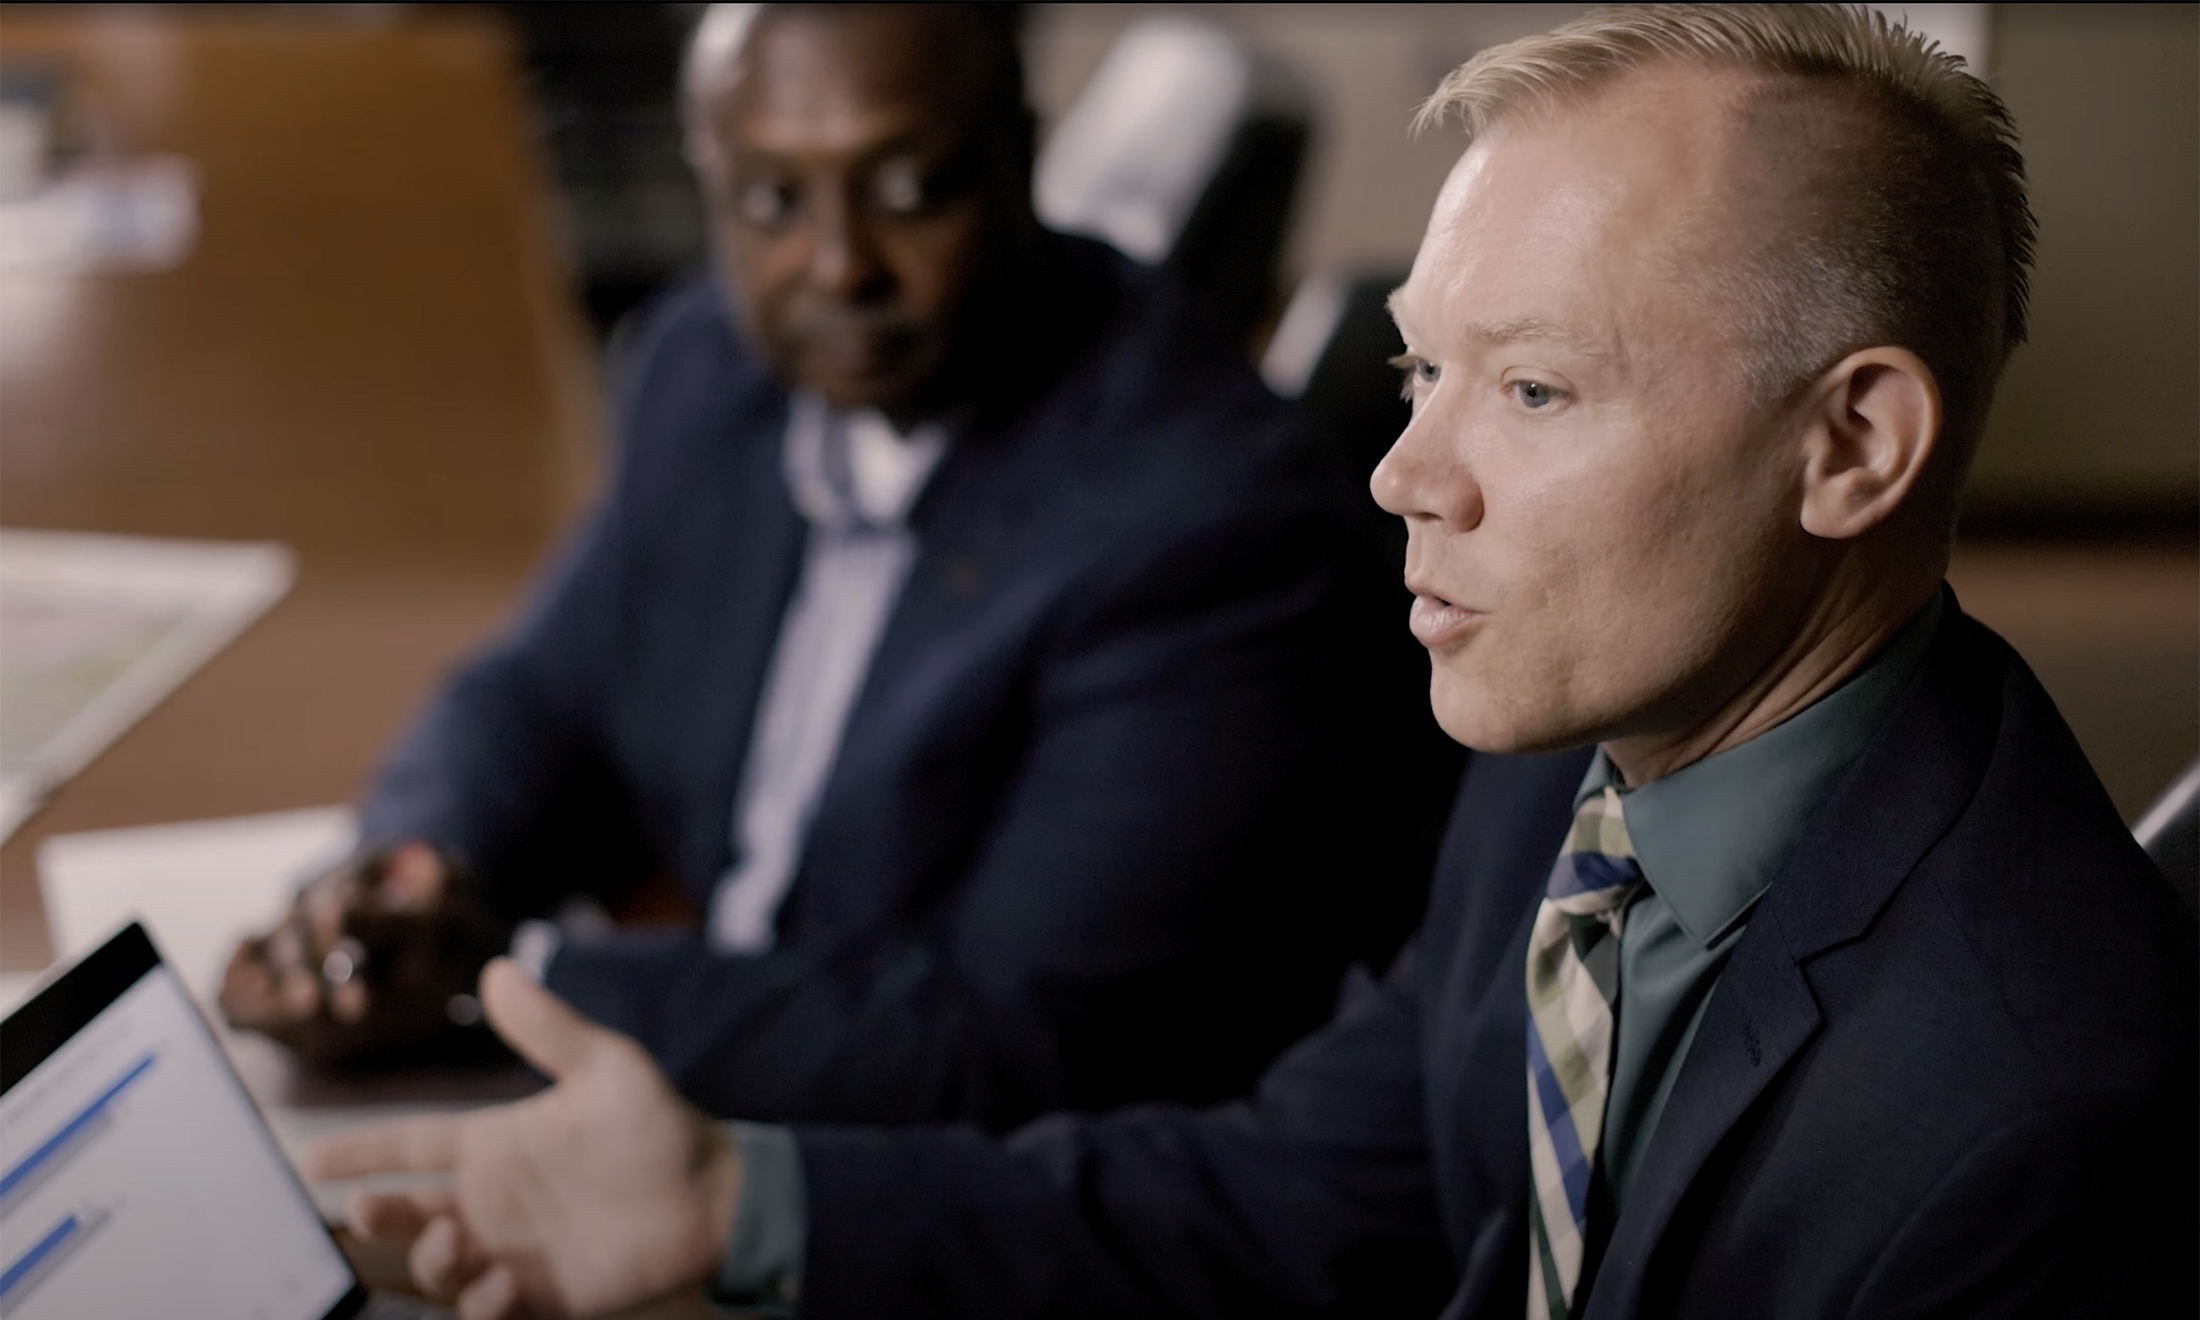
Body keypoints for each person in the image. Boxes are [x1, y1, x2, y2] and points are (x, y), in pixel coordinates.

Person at [305, 6, 2199, 1318]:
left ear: (1853, 446)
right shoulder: (1580, 759)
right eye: (1419, 372)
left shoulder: (2034, 1130)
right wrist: (743, 1205)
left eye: (1531, 389)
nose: (1400, 477)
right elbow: (1327, 1193)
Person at [221, 1, 1457, 1127]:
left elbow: (1009, 1042)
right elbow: (543, 690)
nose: (836, 264)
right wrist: (409, 881)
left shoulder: (1207, 533)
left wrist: (497, 981)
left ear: (1019, 158)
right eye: (773, 202)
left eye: (910, 189)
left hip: (952, 1177)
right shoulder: (708, 365)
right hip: (726, 1034)